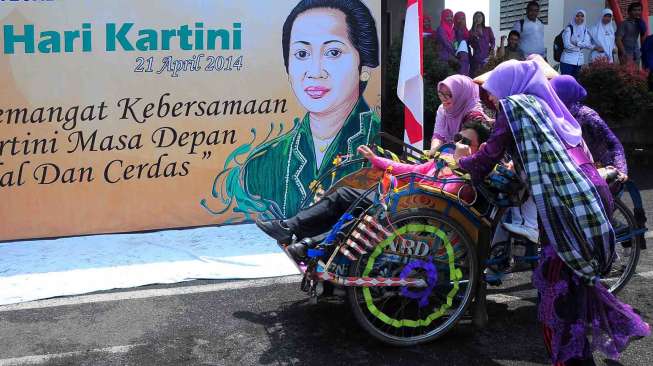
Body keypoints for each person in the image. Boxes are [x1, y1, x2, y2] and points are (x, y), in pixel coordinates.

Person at [454, 59, 650, 365]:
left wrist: (461, 163)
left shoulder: (515, 107)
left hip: (567, 207)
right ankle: (614, 329)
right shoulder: (541, 105)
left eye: (493, 91)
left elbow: (489, 155)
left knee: (556, 294)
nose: (491, 98)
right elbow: (532, 159)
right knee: (572, 284)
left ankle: (572, 357)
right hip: (583, 196)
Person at [212, 0, 381, 220]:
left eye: (333, 52)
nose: (315, 71)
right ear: (288, 69)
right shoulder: (263, 165)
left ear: (364, 67)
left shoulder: (380, 147)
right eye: (301, 54)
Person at [255, 119, 491, 251]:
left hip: (415, 214)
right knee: (347, 199)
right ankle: (296, 233)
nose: (457, 143)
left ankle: (304, 240)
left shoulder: (468, 177)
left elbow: (443, 199)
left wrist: (463, 160)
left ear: (479, 148)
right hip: (401, 203)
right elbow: (412, 169)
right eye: (457, 138)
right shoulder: (444, 161)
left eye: (465, 141)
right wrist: (375, 160)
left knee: (357, 206)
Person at [551, 75, 628, 183]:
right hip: (580, 170)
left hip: (603, 171)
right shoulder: (557, 115)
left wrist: (621, 170)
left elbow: (613, 143)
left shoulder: (587, 115)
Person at [430, 75, 485, 153]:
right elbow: (439, 134)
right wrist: (433, 151)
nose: (443, 99)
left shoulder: (475, 116)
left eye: (449, 94)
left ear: (461, 94)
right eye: (440, 94)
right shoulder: (443, 109)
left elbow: (468, 149)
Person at [560, 9, 595, 78]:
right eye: (577, 16)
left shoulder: (585, 29)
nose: (580, 18)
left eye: (582, 16)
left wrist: (577, 43)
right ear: (574, 17)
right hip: (567, 61)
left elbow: (587, 43)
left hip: (579, 62)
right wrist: (581, 46)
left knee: (576, 83)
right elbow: (567, 45)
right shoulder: (569, 29)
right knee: (566, 82)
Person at [616, 2, 644, 66]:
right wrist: (624, 53)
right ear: (629, 12)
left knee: (636, 74)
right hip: (625, 54)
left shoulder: (639, 23)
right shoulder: (624, 24)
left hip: (636, 54)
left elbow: (643, 34)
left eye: (639, 10)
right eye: (634, 10)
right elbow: (618, 40)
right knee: (626, 75)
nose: (637, 12)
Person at [469, 11, 495, 76]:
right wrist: (474, 27)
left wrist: (492, 49)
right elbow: (471, 43)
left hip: (487, 57)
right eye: (476, 16)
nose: (478, 18)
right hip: (476, 59)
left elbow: (493, 40)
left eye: (480, 16)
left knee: (486, 77)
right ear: (474, 19)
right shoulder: (471, 31)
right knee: (477, 78)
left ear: (483, 18)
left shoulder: (488, 29)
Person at [454, 11, 471, 76]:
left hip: (466, 54)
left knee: (466, 72)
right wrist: (456, 51)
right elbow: (454, 41)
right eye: (459, 18)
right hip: (460, 55)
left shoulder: (466, 30)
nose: (461, 20)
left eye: (463, 18)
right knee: (461, 72)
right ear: (455, 19)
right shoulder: (454, 29)